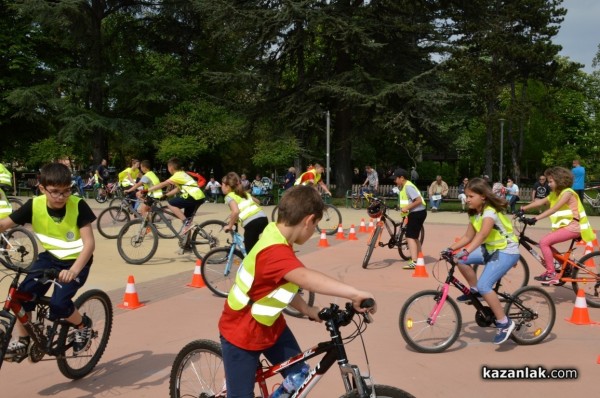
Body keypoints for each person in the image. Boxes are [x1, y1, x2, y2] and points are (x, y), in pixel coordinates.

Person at [218, 185, 376, 396]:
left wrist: (309, 310)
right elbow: (305, 277)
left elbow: (283, 285)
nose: (314, 231)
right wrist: (356, 293)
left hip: (270, 324)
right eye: (316, 225)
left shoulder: (278, 233)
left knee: (299, 375)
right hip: (241, 332)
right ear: (309, 220)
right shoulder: (275, 250)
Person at [0, 162, 96, 355]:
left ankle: (82, 326)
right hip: (50, 259)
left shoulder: (78, 205)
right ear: (42, 188)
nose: (61, 197)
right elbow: (4, 225)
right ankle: (23, 341)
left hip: (75, 262)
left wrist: (73, 271)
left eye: (66, 191)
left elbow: (89, 244)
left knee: (59, 305)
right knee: (20, 297)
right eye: (55, 191)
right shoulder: (34, 205)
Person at [441, 177, 520, 345]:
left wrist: (465, 251)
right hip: (491, 249)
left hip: (506, 250)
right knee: (461, 261)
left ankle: (505, 323)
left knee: (485, 285)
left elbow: (482, 234)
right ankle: (475, 289)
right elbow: (468, 236)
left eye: (470, 196)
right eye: (467, 196)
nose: (467, 199)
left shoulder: (489, 212)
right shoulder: (474, 213)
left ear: (483, 196)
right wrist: (450, 249)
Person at [517, 166, 595, 284]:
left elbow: (554, 209)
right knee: (544, 243)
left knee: (544, 242)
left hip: (574, 227)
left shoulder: (567, 193)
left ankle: (551, 273)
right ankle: (565, 266)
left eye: (551, 181)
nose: (548, 184)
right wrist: (523, 208)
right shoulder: (555, 193)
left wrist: (535, 218)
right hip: (566, 226)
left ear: (560, 180)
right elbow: (541, 202)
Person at [147, 157, 205, 235]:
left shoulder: (177, 175)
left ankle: (187, 223)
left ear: (171, 167)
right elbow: (178, 189)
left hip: (192, 196)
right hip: (198, 197)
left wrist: (147, 190)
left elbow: (163, 184)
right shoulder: (183, 174)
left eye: (167, 167)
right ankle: (187, 242)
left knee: (170, 204)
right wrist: (166, 195)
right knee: (187, 219)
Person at [221, 172, 269, 252]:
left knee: (250, 252)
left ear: (228, 187)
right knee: (255, 246)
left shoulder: (229, 197)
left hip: (252, 224)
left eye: (222, 185)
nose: (221, 186)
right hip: (263, 218)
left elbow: (236, 211)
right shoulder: (243, 193)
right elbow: (258, 201)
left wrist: (229, 226)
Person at [393, 168, 427, 270]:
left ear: (402, 178)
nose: (394, 181)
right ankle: (419, 258)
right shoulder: (404, 186)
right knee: (415, 237)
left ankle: (415, 261)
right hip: (417, 213)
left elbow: (418, 200)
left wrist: (407, 208)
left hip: (417, 213)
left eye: (395, 178)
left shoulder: (408, 187)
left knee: (410, 237)